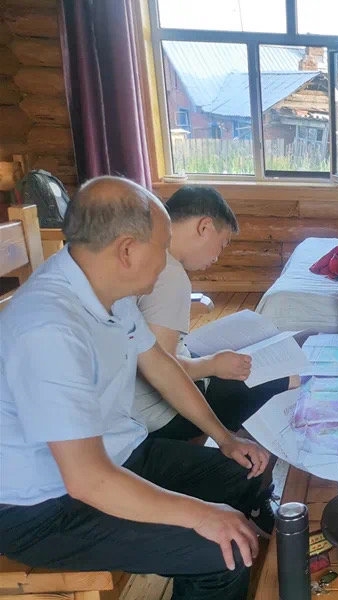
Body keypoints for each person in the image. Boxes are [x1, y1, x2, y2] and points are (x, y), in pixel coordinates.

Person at [0, 177, 271, 600]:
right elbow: (88, 481)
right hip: (43, 508)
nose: (166, 261)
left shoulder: (109, 289)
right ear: (126, 250)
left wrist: (225, 438)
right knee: (223, 553)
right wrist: (200, 515)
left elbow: (160, 365)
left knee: (245, 471)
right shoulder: (49, 329)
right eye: (162, 248)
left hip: (118, 455)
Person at [134, 185, 298, 442]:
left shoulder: (142, 253)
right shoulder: (169, 275)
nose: (217, 257)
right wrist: (212, 365)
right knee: (288, 380)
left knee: (234, 363)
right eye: (222, 245)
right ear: (205, 227)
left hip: (130, 402)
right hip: (158, 415)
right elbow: (160, 371)